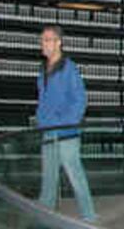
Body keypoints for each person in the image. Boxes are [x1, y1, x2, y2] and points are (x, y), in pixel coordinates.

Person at [36, 26, 96, 222]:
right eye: (42, 40)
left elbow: (80, 100)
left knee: (75, 177)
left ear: (58, 42)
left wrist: (63, 124)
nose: (43, 44)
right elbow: (43, 101)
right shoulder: (42, 69)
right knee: (48, 180)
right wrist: (41, 121)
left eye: (47, 40)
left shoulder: (69, 68)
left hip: (66, 134)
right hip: (47, 133)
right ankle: (44, 218)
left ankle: (89, 219)